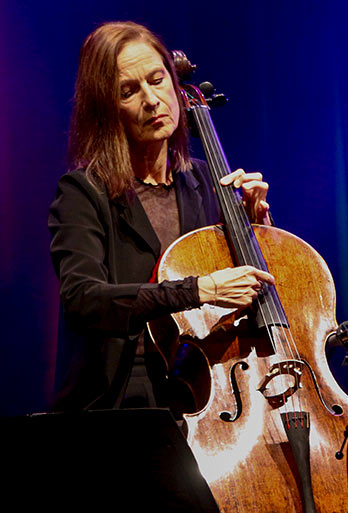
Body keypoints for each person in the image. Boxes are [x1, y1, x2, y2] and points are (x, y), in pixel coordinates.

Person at [48, 21, 274, 416]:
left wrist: (257, 230)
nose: (152, 100)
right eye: (129, 91)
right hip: (122, 399)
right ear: (107, 107)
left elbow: (248, 298)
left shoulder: (206, 180)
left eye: (157, 80)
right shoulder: (84, 192)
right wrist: (197, 289)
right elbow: (83, 299)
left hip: (205, 386)